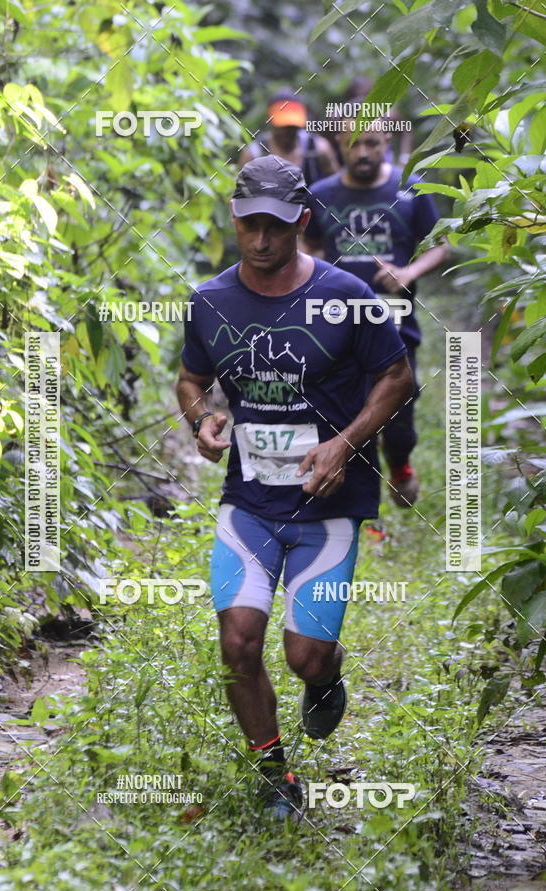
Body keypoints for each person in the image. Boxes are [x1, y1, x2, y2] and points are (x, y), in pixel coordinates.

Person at [176, 155, 413, 820]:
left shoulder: (348, 298)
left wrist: (345, 443)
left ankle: (327, 675)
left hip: (330, 506)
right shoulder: (210, 302)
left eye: (275, 227)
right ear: (234, 220)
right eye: (249, 225)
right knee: (238, 640)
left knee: (305, 657)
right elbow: (191, 380)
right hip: (250, 501)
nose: (260, 240)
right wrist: (203, 418)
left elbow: (397, 378)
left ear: (302, 220)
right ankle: (274, 778)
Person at [303, 118, 449, 507]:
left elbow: (440, 245)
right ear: (339, 143)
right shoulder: (320, 195)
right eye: (354, 143)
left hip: (396, 324)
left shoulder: (411, 189)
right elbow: (310, 247)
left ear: (387, 140)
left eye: (371, 142)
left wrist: (408, 272)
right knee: (347, 415)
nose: (363, 152)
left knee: (398, 415)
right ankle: (360, 508)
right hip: (334, 326)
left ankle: (400, 464)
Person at [238, 89, 339, 185]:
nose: (287, 131)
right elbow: (239, 195)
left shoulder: (318, 149)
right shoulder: (254, 154)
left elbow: (338, 185)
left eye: (292, 126)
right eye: (282, 125)